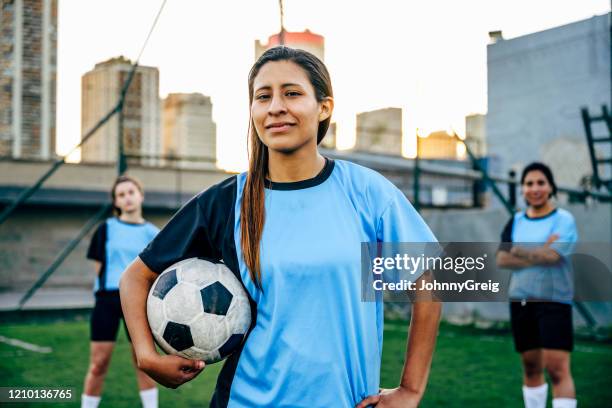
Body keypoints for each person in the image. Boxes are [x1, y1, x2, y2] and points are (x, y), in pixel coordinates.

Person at [120, 46, 441, 408]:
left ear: (324, 107)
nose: (275, 107)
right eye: (263, 96)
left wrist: (411, 389)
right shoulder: (229, 201)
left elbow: (429, 276)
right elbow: (135, 276)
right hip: (247, 399)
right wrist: (146, 355)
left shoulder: (365, 191)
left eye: (291, 93)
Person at [496, 162, 578, 408]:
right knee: (531, 368)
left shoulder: (564, 220)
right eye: (529, 183)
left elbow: (554, 257)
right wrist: (540, 250)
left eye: (541, 182)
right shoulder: (516, 220)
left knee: (557, 370)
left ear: (551, 187)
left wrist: (519, 250)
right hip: (521, 301)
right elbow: (501, 259)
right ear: (522, 189)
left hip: (554, 302)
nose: (535, 188)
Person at [81, 175, 160, 408]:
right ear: (116, 201)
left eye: (131, 192)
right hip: (107, 299)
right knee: (98, 363)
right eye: (121, 195)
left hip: (138, 301)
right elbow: (98, 266)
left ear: (141, 195)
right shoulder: (106, 229)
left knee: (144, 361)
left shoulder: (154, 233)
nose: (127, 198)